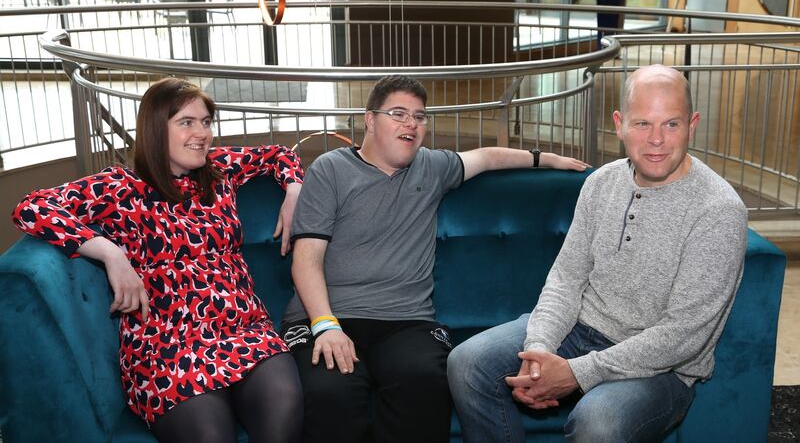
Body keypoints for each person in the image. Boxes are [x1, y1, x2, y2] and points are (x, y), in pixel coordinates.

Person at [279, 74, 590, 443]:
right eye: (398, 113)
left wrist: (548, 159)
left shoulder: (432, 166)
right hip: (328, 315)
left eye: (419, 116)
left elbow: (488, 157)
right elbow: (306, 259)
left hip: (405, 320)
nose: (411, 123)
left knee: (424, 382)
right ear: (370, 119)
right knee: (332, 393)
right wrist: (326, 326)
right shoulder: (331, 169)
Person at [447, 64, 748, 442]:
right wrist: (538, 354)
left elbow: (683, 335)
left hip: (662, 369)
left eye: (671, 124)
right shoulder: (601, 183)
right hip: (581, 329)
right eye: (642, 124)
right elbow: (566, 279)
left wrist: (575, 373)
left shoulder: (718, 210)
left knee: (599, 422)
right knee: (467, 363)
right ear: (620, 124)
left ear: (692, 125)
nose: (656, 139)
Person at [12, 78, 305, 443]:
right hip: (168, 347)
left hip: (245, 332)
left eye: (206, 122)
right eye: (186, 122)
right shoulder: (121, 187)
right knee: (209, 437)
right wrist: (108, 250)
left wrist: (294, 188)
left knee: (286, 407)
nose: (202, 133)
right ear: (155, 129)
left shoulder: (219, 171)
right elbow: (32, 206)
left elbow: (280, 154)